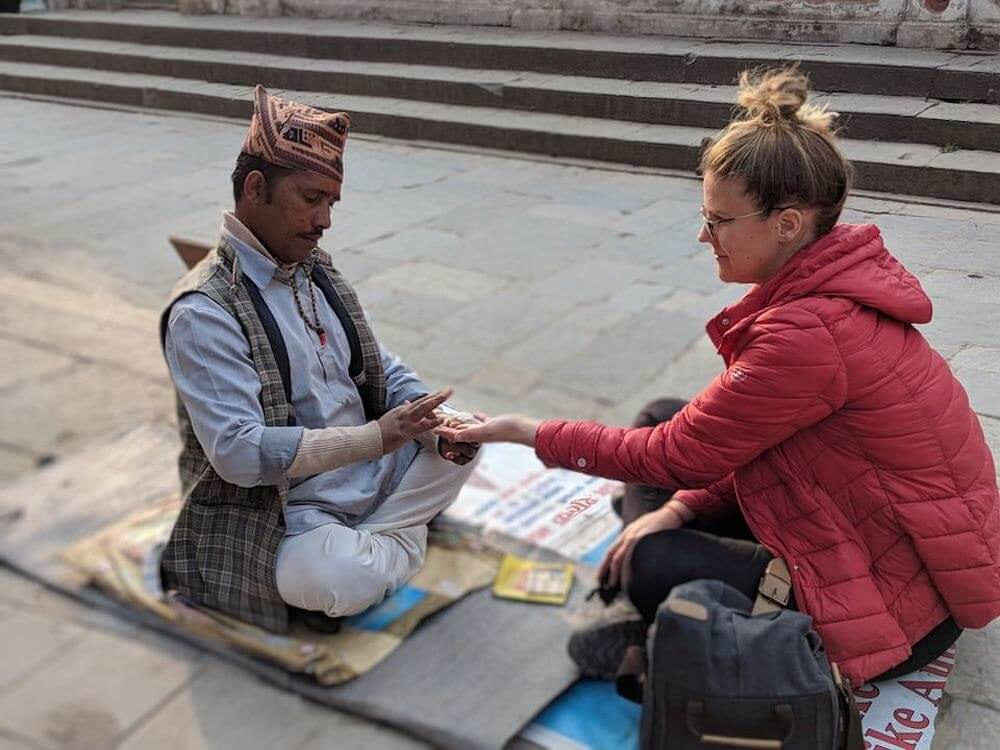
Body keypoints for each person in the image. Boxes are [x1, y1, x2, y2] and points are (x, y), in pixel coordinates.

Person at [437, 68, 1000, 686]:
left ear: (787, 224)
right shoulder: (828, 290)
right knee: (658, 423)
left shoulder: (807, 335)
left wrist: (525, 431)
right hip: (860, 535)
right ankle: (675, 611)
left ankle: (673, 636)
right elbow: (742, 448)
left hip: (895, 616)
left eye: (720, 221)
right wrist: (678, 508)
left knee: (649, 556)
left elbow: (677, 455)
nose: (704, 235)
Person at [160, 85, 481, 633]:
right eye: (312, 199)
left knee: (471, 437)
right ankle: (395, 537)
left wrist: (432, 423)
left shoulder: (313, 268)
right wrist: (378, 437)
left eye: (331, 203)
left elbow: (381, 363)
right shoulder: (203, 311)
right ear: (256, 188)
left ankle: (387, 539)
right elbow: (239, 455)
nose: (325, 219)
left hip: (369, 472)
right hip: (284, 514)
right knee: (338, 577)